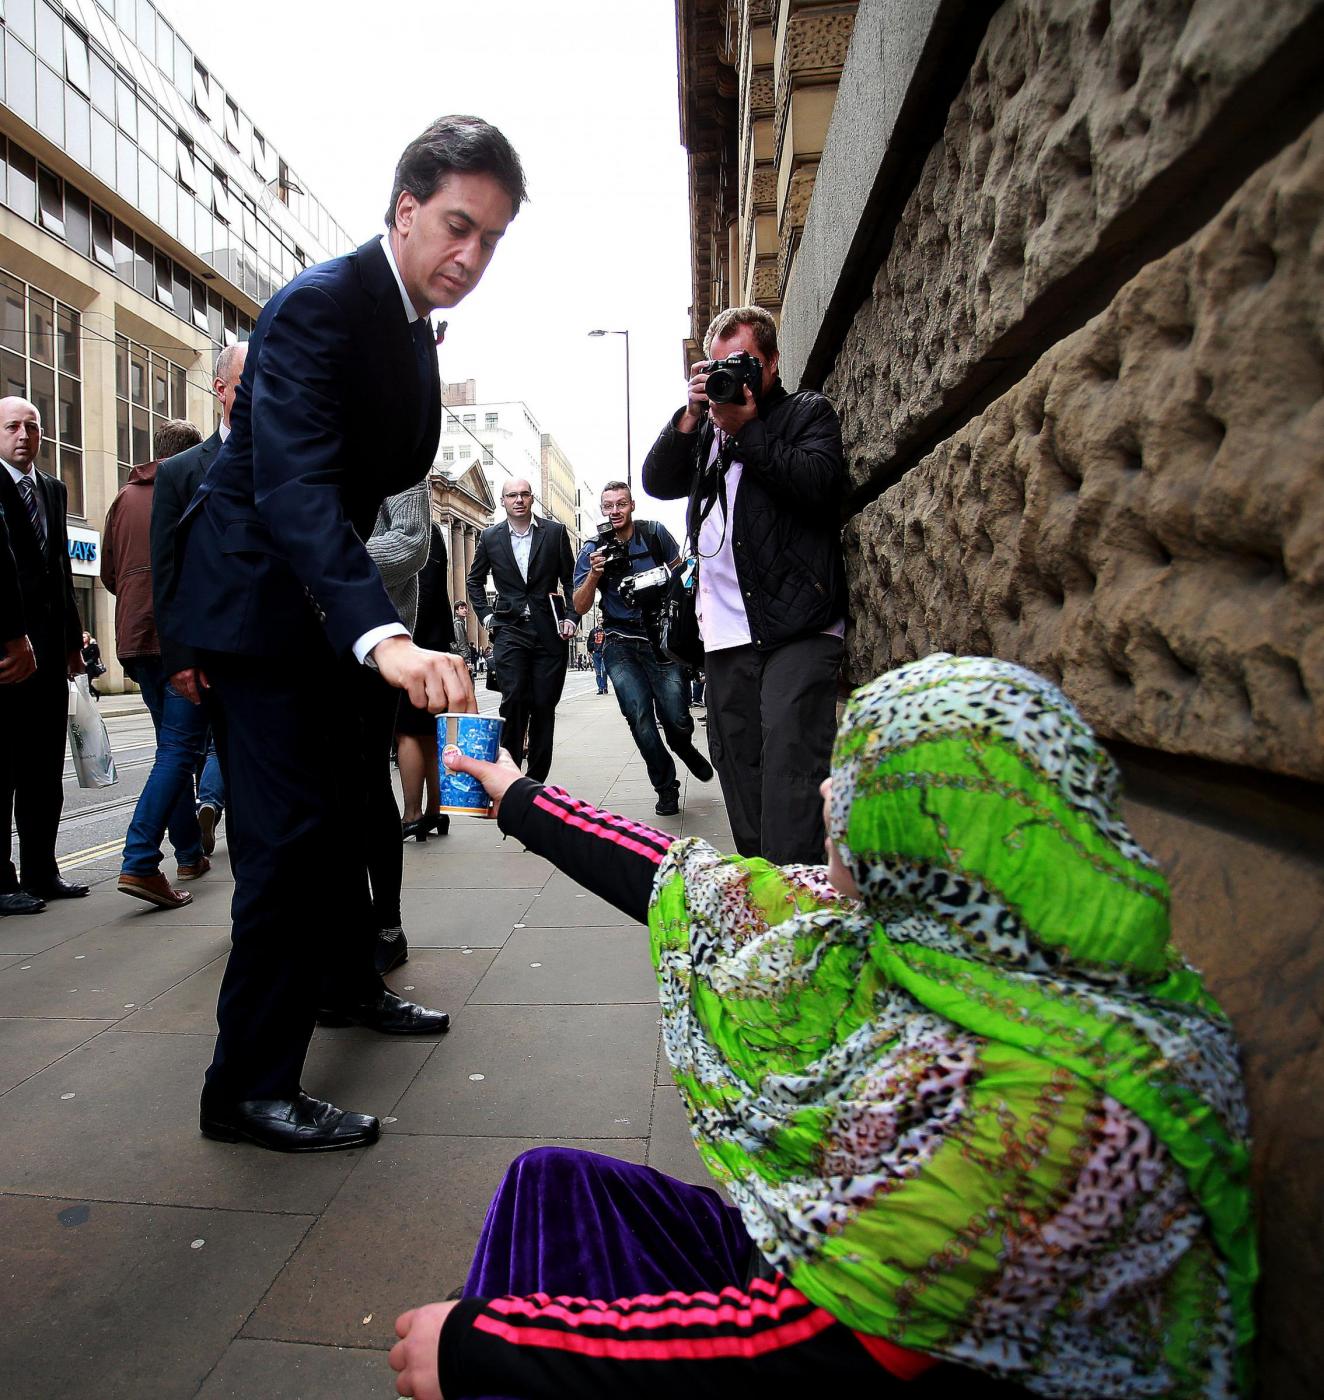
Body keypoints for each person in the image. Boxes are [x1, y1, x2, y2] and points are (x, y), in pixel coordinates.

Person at [392, 653, 1256, 1400]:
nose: (829, 789)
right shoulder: (937, 929)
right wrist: (516, 794)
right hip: (831, 1274)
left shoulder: (1052, 1113)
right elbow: (681, 882)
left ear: (941, 829)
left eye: (862, 776)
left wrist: (484, 1346)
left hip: (873, 1350)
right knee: (552, 1185)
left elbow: (809, 1354)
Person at [160, 115, 525, 1154]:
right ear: (405, 210)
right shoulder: (320, 305)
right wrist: (383, 635)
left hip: (319, 609)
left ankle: (346, 984)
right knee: (282, 848)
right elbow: (295, 488)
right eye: (457, 225)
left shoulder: (410, 325)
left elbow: (384, 475)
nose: (472, 255)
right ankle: (245, 1088)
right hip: (260, 609)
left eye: (492, 238)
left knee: (351, 809)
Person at [642, 305, 847, 864]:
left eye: (743, 363)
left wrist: (748, 432)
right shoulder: (707, 432)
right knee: (742, 780)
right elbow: (656, 480)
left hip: (798, 627)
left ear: (772, 363)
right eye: (718, 367)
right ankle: (762, 888)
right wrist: (691, 414)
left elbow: (820, 484)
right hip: (724, 636)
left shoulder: (804, 412)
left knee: (792, 776)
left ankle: (797, 898)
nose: (730, 377)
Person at [102, 418, 209, 909]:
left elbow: (108, 571)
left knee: (173, 747)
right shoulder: (188, 484)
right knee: (179, 750)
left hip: (135, 637)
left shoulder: (124, 497)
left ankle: (188, 853)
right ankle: (141, 858)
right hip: (176, 637)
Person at [152, 343, 249, 857]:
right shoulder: (181, 472)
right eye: (250, 379)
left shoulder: (289, 460)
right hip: (217, 656)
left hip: (282, 652)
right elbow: (167, 573)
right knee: (229, 772)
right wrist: (180, 659)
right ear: (221, 389)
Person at [572, 480, 712, 816]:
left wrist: (666, 589)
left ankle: (682, 745)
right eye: (608, 506)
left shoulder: (654, 534)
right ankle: (665, 787)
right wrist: (594, 575)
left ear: (632, 505)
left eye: (621, 504)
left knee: (677, 717)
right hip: (619, 641)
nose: (615, 511)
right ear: (602, 509)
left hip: (661, 638)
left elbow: (685, 575)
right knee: (638, 715)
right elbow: (578, 605)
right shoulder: (593, 548)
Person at [0, 397, 88, 915]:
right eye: (12, 426)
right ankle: (1, 880)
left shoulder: (52, 490)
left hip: (50, 653)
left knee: (43, 770)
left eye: (31, 426)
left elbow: (60, 571)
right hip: (8, 656)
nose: (23, 435)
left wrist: (73, 642)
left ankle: (41, 869)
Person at [363, 479, 431, 975]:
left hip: (376, 647)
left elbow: (410, 544)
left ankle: (387, 925)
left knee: (367, 783)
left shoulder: (398, 463)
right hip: (306, 642)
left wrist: (323, 554)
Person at [466, 478, 576, 781]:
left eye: (524, 494)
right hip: (509, 629)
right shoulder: (490, 537)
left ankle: (536, 782)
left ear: (532, 499)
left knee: (543, 706)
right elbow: (474, 581)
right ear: (503, 501)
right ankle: (510, 778)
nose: (518, 500)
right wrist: (487, 617)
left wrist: (572, 616)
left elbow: (571, 579)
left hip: (549, 632)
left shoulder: (554, 533)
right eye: (512, 495)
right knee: (513, 700)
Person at [397, 523, 455, 848]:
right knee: (430, 731)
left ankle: (412, 814)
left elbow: (420, 590)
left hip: (412, 641)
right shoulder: (432, 530)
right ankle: (435, 811)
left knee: (406, 732)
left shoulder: (409, 528)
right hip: (434, 640)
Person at [80, 631, 105, 699]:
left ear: (88, 638)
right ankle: (96, 692)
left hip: (91, 667)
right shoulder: (81, 647)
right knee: (83, 683)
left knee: (87, 683)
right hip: (83, 668)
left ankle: (88, 698)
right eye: (82, 637)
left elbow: (96, 655)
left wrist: (88, 662)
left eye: (84, 637)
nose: (83, 638)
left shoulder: (93, 646)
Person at [586, 624, 608, 694]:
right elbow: (589, 641)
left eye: (602, 620)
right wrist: (591, 650)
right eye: (599, 620)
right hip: (596, 653)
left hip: (604, 653)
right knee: (598, 672)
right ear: (597, 621)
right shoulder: (593, 631)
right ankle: (600, 688)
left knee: (604, 671)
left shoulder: (606, 630)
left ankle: (605, 686)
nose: (601, 622)